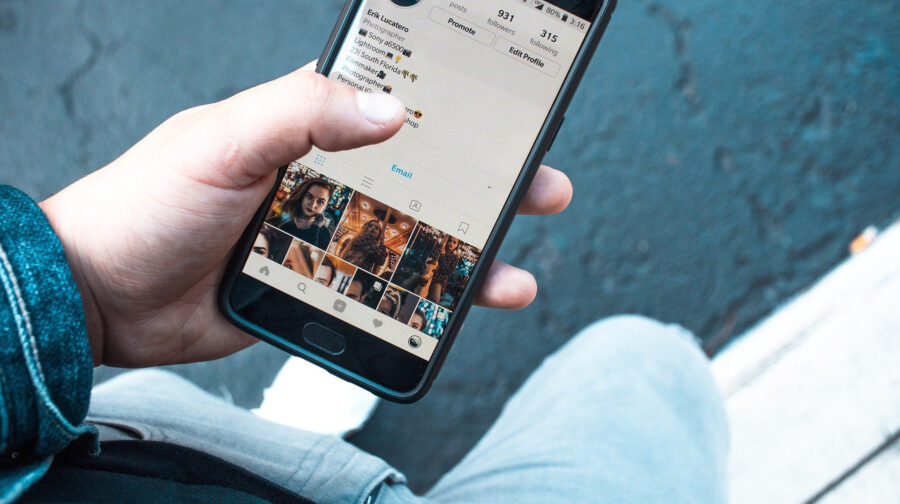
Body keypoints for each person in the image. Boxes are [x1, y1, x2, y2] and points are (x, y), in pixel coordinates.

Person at [0, 65, 728, 503]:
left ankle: (288, 431)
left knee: (160, 398)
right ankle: (294, 434)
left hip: (101, 441)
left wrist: (85, 292)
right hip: (123, 443)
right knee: (646, 359)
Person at [268, 178, 334, 249]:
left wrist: (315, 228)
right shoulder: (282, 218)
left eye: (320, 202)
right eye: (309, 196)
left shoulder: (324, 235)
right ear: (302, 196)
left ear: (326, 205)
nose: (312, 205)